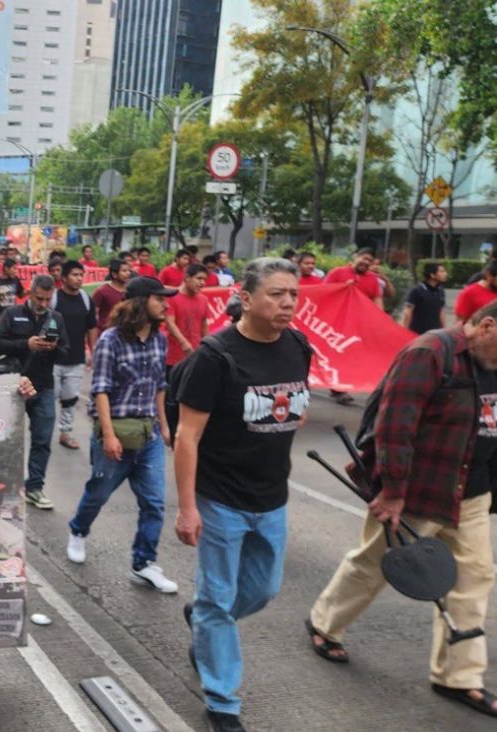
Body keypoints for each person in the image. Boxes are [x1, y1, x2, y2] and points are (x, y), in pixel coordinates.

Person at [307, 301, 497, 720]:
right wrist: (392, 489)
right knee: (375, 565)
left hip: (472, 492)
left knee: (473, 578)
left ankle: (458, 676)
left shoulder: (492, 363)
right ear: (486, 327)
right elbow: (395, 424)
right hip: (417, 491)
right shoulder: (430, 353)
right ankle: (324, 623)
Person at [173, 258, 311, 732]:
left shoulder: (297, 344)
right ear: (246, 299)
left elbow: (297, 403)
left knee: (262, 590)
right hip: (221, 500)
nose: (287, 302)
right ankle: (222, 702)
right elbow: (186, 436)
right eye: (275, 293)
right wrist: (188, 509)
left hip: (272, 497)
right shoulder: (215, 357)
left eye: (292, 293)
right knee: (218, 598)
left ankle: (206, 620)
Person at [66, 277, 179, 594]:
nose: (166, 305)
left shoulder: (159, 340)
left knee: (154, 503)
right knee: (99, 493)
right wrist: (110, 435)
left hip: (149, 435)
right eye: (160, 299)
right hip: (115, 433)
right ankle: (78, 530)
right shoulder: (110, 340)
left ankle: (144, 564)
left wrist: (165, 426)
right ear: (141, 303)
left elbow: (159, 385)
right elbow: (100, 390)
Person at [0, 275, 70, 510]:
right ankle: (1, 488)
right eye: (39, 298)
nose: (43, 304)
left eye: (48, 299)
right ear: (29, 292)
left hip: (44, 386)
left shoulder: (56, 318)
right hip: (14, 385)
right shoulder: (12, 313)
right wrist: (26, 344)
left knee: (42, 440)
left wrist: (53, 348)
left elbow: (67, 352)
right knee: (5, 439)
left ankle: (35, 487)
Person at [325, 249, 382, 406]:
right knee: (335, 353)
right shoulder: (337, 273)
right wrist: (343, 287)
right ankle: (337, 388)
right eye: (364, 258)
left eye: (370, 261)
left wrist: (380, 322)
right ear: (355, 257)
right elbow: (325, 292)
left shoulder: (373, 279)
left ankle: (340, 385)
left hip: (358, 325)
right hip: (336, 323)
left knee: (351, 355)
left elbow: (377, 300)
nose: (366, 262)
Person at [52, 261, 98, 450]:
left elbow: (91, 327)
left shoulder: (86, 300)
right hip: (52, 358)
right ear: (63, 278)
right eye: (74, 275)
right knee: (48, 399)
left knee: (70, 399)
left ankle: (65, 432)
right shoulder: (54, 299)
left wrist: (93, 352)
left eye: (81, 275)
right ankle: (41, 431)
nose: (79, 279)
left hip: (76, 359)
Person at [165, 263, 211, 373]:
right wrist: (183, 342)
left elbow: (204, 324)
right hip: (174, 357)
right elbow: (170, 323)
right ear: (187, 278)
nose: (202, 283)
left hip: (196, 355)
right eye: (199, 278)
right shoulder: (172, 297)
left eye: (204, 279)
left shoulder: (204, 299)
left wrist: (207, 345)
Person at [402, 262, 449, 334]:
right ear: (432, 275)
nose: (445, 274)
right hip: (417, 333)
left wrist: (445, 330)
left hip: (434, 333)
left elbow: (441, 311)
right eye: (442, 271)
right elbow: (408, 312)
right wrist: (404, 331)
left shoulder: (440, 290)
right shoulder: (417, 290)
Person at [93, 257, 131, 331]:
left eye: (129, 270)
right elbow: (93, 315)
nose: (128, 273)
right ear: (114, 274)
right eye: (124, 271)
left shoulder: (131, 291)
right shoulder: (102, 291)